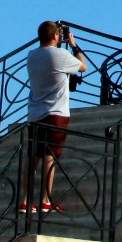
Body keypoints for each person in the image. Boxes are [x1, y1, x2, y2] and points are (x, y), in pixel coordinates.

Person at [25, 20, 88, 214]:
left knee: (33, 157)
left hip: (35, 113)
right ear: (56, 36)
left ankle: (25, 200)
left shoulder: (31, 56)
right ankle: (45, 200)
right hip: (56, 113)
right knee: (49, 157)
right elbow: (83, 66)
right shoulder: (61, 55)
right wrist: (74, 45)